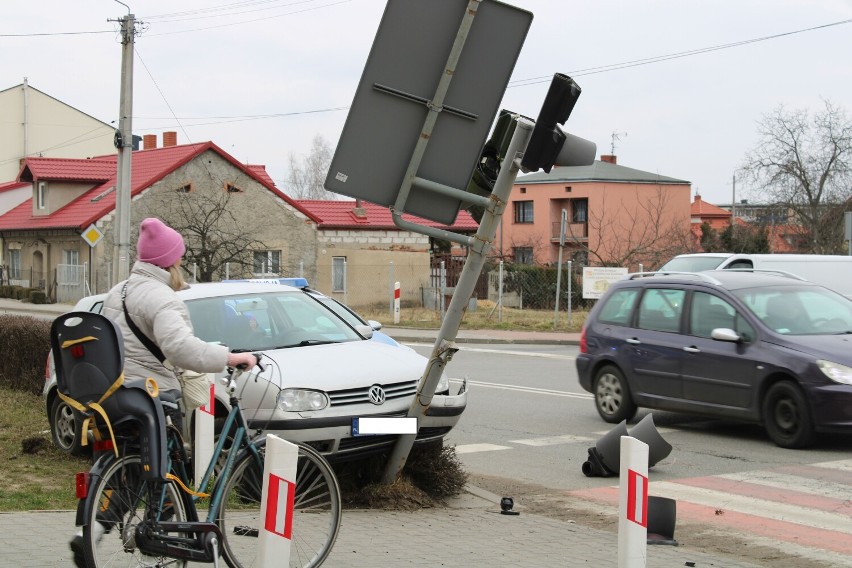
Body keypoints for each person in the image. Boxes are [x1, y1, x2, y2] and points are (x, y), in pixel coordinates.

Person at [70, 217, 257, 567]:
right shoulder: (162, 298)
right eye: (178, 259)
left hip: (116, 393)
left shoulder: (119, 291)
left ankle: (92, 532)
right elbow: (181, 349)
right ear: (168, 261)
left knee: (131, 472)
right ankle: (179, 542)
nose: (180, 266)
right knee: (168, 469)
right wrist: (230, 357)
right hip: (155, 394)